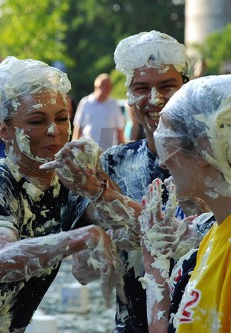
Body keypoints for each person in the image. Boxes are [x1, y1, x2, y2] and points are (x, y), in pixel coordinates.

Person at [42, 30, 213, 333]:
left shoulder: (213, 161)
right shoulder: (112, 164)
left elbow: (200, 237)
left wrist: (107, 196)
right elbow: (84, 271)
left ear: (185, 88)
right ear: (130, 95)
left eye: (166, 86)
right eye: (142, 88)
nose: (154, 99)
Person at [0, 56, 125, 332]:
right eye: (37, 121)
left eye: (62, 118)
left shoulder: (65, 184)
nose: (54, 131)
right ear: (5, 131)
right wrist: (82, 237)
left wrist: (100, 187)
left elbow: (90, 266)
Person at [140, 74, 231, 332]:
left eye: (167, 143)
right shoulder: (216, 235)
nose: (162, 162)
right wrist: (155, 267)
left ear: (204, 147)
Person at [72, 73, 125, 150]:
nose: (107, 89)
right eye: (104, 86)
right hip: (88, 147)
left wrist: (122, 147)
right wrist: (74, 147)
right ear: (97, 86)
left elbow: (120, 127)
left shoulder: (114, 104)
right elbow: (78, 126)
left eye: (109, 87)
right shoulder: (85, 102)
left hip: (108, 148)